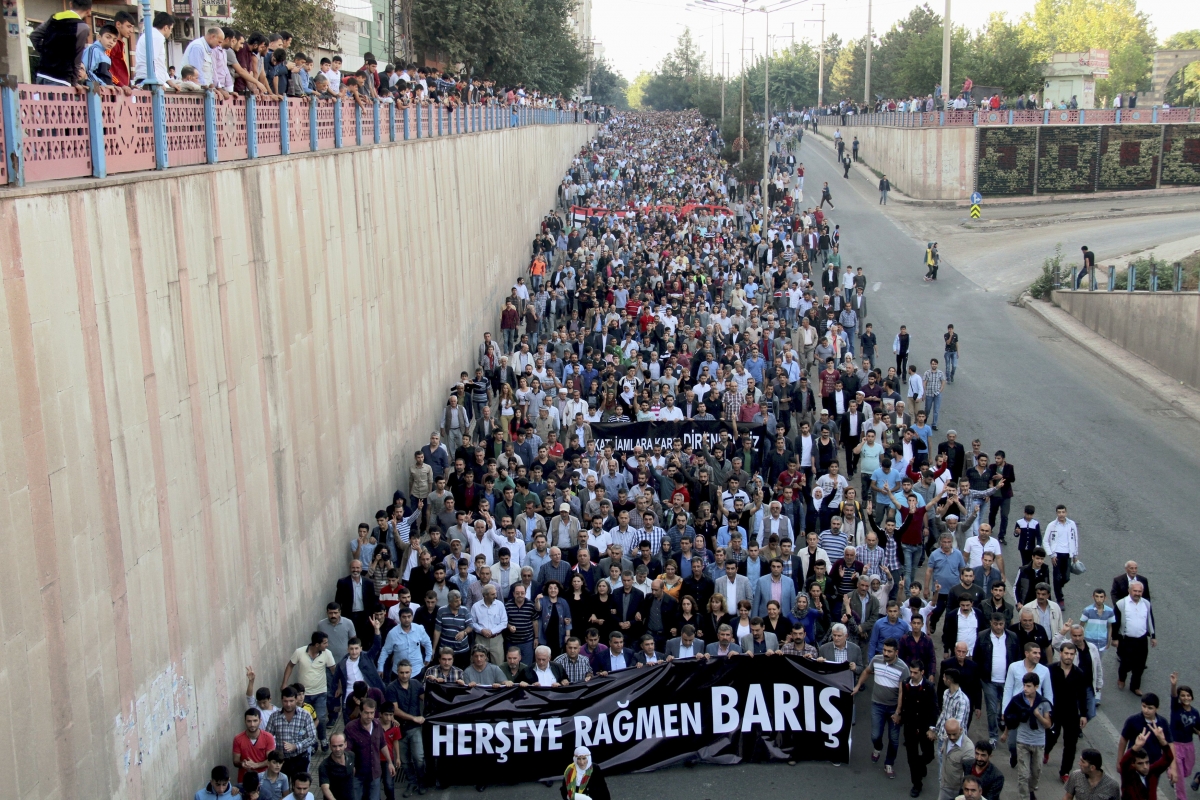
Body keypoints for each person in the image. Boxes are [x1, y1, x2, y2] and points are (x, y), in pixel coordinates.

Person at [854, 637, 908, 777]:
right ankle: (878, 747)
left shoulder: (903, 668)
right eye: (884, 650)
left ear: (896, 652)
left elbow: (903, 692)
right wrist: (858, 685)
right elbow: (866, 671)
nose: (885, 653)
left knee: (894, 738)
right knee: (875, 735)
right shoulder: (876, 660)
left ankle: (889, 763)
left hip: (893, 708)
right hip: (877, 704)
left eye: (889, 651)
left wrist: (898, 712)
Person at [1002, 673, 1052, 800]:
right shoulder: (1017, 700)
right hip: (1022, 741)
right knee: (1023, 775)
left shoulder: (1043, 703)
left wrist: (1037, 715)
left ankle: (1030, 791)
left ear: (1036, 687)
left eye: (1028, 686)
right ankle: (1024, 797)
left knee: (1036, 772)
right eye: (1024, 685)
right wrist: (1006, 732)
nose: (1025, 688)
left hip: (1038, 743)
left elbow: (1048, 724)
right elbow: (1009, 716)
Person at [1114, 582, 1155, 695]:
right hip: (1126, 639)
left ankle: (1135, 686)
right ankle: (1122, 679)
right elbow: (1116, 623)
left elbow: (1150, 619)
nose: (1137, 593)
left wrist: (1153, 636)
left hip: (1141, 640)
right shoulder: (1121, 604)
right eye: (1135, 591)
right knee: (1126, 663)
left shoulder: (1146, 603)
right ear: (1129, 591)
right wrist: (1115, 638)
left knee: (1140, 665)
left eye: (1139, 591)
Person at [1119, 725, 1174, 800]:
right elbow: (1124, 763)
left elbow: (1168, 758)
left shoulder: (1152, 772)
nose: (1145, 767)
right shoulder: (1128, 774)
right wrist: (1136, 747)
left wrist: (1162, 741)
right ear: (1133, 764)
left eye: (1147, 762)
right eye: (1140, 763)